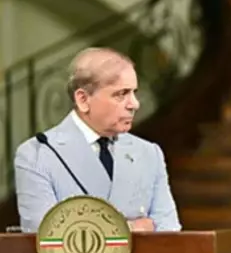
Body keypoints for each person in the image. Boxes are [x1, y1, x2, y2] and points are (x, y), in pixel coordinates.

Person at [14, 47, 181, 233]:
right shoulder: (37, 155)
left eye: (134, 92)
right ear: (83, 100)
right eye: (121, 94)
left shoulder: (149, 153)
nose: (134, 104)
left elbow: (169, 231)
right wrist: (133, 227)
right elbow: (47, 236)